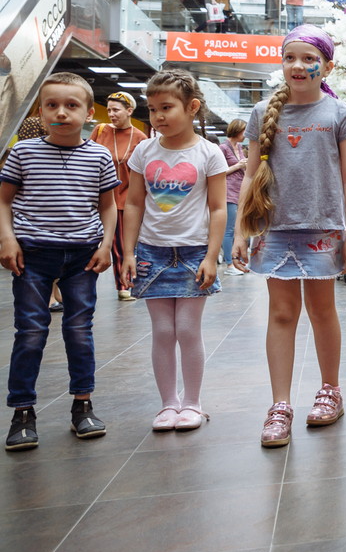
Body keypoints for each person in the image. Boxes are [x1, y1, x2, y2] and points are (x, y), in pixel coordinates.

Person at [232, 25, 346, 448]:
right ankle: (280, 405)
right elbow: (250, 175)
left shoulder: (339, 115)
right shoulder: (262, 113)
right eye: (291, 58)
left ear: (327, 65)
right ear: (282, 63)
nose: (299, 66)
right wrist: (241, 231)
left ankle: (330, 390)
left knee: (322, 311)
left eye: (309, 59)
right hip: (275, 229)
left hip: (324, 228)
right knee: (282, 315)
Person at [2, 72, 118, 451]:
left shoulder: (99, 156)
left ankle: (82, 405)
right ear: (41, 109)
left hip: (82, 257)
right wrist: (7, 238)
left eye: (72, 106)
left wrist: (106, 245)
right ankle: (22, 412)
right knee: (30, 332)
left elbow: (109, 206)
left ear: (88, 113)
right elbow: (4, 200)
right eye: (52, 105)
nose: (61, 113)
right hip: (33, 256)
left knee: (79, 330)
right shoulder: (23, 152)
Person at [121, 71, 227, 433]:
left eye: (167, 107)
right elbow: (133, 203)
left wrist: (212, 256)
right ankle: (168, 404)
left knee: (186, 328)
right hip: (152, 252)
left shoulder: (208, 152)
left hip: (194, 252)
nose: (159, 116)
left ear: (192, 106)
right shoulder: (143, 151)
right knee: (163, 331)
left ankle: (193, 403)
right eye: (152, 109)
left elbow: (218, 207)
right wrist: (129, 251)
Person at [90, 92, 148, 301]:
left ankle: (124, 285)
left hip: (123, 199)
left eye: (116, 110)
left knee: (120, 245)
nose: (112, 114)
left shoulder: (140, 138)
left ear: (129, 111)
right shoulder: (100, 130)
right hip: (96, 197)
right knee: (86, 242)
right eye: (109, 110)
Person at [218, 119, 247, 277]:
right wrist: (238, 166)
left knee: (238, 228)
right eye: (243, 131)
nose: (245, 134)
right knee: (229, 229)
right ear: (237, 131)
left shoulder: (239, 147)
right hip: (228, 192)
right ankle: (229, 264)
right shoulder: (223, 148)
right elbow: (218, 172)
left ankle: (236, 260)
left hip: (239, 191)